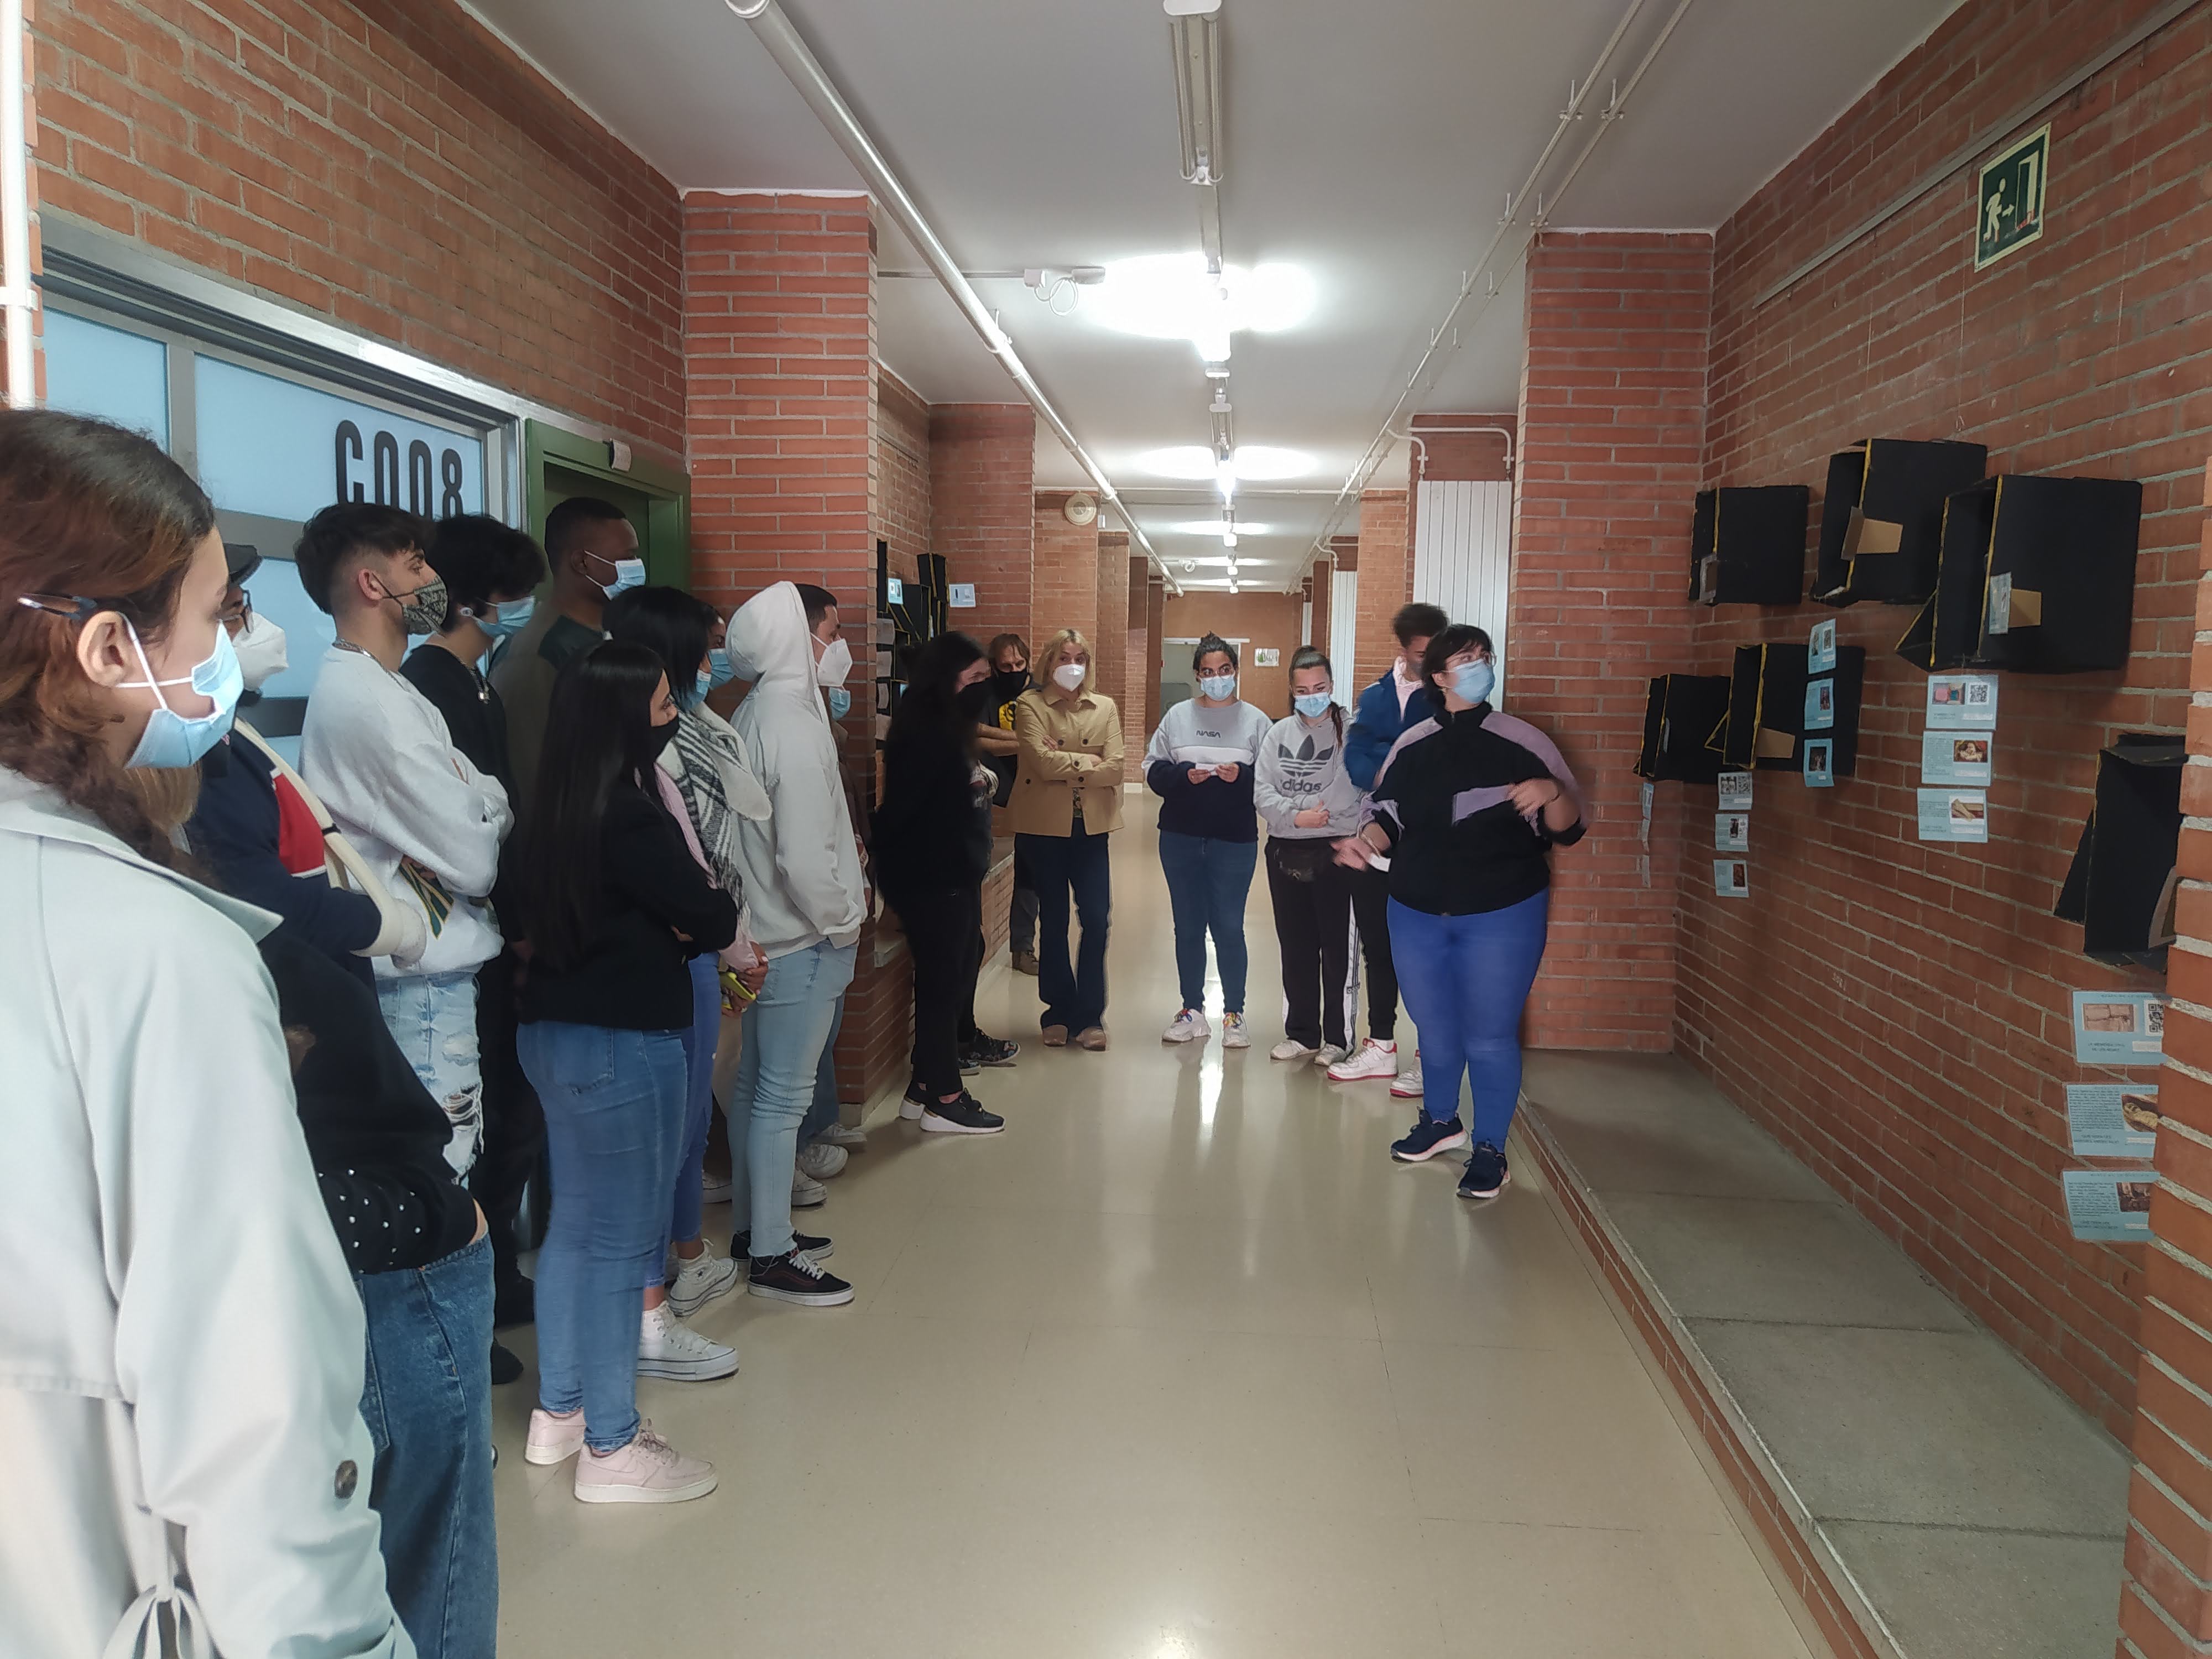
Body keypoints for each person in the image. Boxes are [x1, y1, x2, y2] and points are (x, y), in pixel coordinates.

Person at [0, 408, 408, 1657]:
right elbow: (256, 1417)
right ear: (109, 647)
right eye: (214, 613)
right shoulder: (152, 951)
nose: (231, 647)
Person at [511, 641, 738, 1503]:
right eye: (663, 706)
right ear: (621, 720)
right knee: (618, 1243)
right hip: (621, 1046)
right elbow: (710, 914)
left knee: (574, 1227)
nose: (674, 717)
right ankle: (612, 1444)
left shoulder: (547, 811)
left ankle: (561, 1412)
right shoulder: (631, 815)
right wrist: (685, 919)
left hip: (552, 1038)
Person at [297, 503, 512, 1178]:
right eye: (416, 565)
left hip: (433, 982)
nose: (430, 579)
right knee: (439, 1180)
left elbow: (492, 797)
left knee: (452, 1169)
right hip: (415, 989)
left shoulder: (390, 687)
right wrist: (478, 808)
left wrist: (478, 805)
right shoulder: (364, 701)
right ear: (372, 584)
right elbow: (474, 856)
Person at [1334, 624, 1584, 1201]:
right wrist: (1365, 844)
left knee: (1490, 1035)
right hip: (1416, 909)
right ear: (1440, 677)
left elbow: (1569, 828)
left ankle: (1490, 1149)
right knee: (1434, 1027)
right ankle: (1441, 1121)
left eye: (1484, 656)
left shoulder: (1523, 740)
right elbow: (1388, 816)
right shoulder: (1412, 744)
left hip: (1503, 910)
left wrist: (1551, 791)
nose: (1479, 666)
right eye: (1466, 659)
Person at [604, 583, 772, 1320]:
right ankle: (672, 1267)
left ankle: (681, 1253)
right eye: (706, 649)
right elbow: (695, 862)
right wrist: (730, 940)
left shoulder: (695, 728)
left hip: (707, 940)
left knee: (685, 1116)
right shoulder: (655, 756)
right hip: (688, 946)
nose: (714, 663)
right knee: (673, 1123)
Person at [404, 512, 552, 1345]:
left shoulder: (479, 681)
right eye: (516, 594)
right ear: (475, 599)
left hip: (497, 930)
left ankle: (497, 1278)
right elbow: (470, 828)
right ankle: (473, 1301)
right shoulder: (432, 686)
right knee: (480, 1122)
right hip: (461, 937)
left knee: (512, 1118)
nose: (524, 607)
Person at [722, 581, 867, 1305]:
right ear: (793, 639)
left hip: (768, 935)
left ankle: (756, 1227)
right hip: (801, 938)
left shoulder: (756, 709)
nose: (836, 648)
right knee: (782, 1100)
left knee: (755, 1089)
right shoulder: (794, 727)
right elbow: (804, 858)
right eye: (830, 633)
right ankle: (773, 1256)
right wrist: (843, 919)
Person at [187, 555, 424, 988]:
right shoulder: (201, 754)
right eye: (235, 613)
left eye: (246, 606)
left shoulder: (230, 734)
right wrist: (387, 926)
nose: (260, 627)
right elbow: (262, 900)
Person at [875, 630, 1012, 1134]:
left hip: (952, 874)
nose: (983, 688)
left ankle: (923, 1086)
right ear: (946, 679)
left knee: (953, 972)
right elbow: (909, 815)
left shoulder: (946, 725)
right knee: (942, 986)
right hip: (934, 878)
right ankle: (946, 1098)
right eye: (974, 678)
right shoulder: (926, 733)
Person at [1331, 601, 1447, 1095]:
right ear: (1404, 650)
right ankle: (1380, 1044)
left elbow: (1440, 761)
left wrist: (1393, 759)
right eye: (1421, 654)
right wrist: (1394, 765)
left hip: (1429, 843)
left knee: (1425, 952)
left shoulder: (1448, 695)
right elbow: (1357, 757)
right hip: (1374, 834)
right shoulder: (1375, 696)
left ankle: (1429, 1056)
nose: (1430, 662)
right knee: (1377, 946)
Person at [1144, 633, 1274, 1048]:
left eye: (1224, 670)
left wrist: (1243, 776)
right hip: (1180, 837)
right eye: (1208, 672)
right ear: (1198, 676)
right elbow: (1153, 770)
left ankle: (1234, 1013)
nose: (1217, 678)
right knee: (1187, 926)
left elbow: (1272, 780)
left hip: (1234, 840)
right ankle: (1192, 1010)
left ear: (1235, 671)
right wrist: (1183, 776)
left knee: (1229, 926)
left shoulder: (1257, 721)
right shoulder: (1177, 716)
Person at [1010, 626, 1124, 1048]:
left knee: (1096, 918)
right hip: (1043, 828)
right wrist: (1089, 761)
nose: (1072, 666)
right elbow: (1041, 763)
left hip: (1091, 827)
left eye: (1080, 659)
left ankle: (1090, 1015)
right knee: (1053, 919)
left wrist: (1064, 758)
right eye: (1064, 658)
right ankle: (1057, 1010)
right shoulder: (1030, 704)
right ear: (1049, 662)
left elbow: (1117, 767)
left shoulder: (1105, 707)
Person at [493, 494, 639, 813]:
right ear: (582, 562)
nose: (636, 568)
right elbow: (532, 777)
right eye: (626, 558)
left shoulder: (608, 636)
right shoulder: (538, 653)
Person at [1254, 646, 1364, 1063]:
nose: (1312, 696)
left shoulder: (1352, 733)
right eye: (1303, 690)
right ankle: (1302, 1032)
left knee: (1337, 948)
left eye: (1319, 688)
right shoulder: (1277, 734)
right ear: (1291, 690)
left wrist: (1307, 813)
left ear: (1331, 686)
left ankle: (1338, 1037)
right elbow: (1262, 791)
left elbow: (1347, 789)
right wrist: (1297, 816)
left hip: (1336, 848)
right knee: (1295, 943)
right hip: (1286, 848)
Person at [976, 630, 1040, 975]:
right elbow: (974, 735)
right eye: (1006, 666)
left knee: (1032, 872)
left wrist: (999, 738)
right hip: (995, 786)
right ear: (994, 667)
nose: (1014, 670)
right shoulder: (986, 692)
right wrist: (1023, 740)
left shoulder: (1042, 694)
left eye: (1019, 663)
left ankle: (1024, 948)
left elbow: (1052, 739)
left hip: (1038, 791)